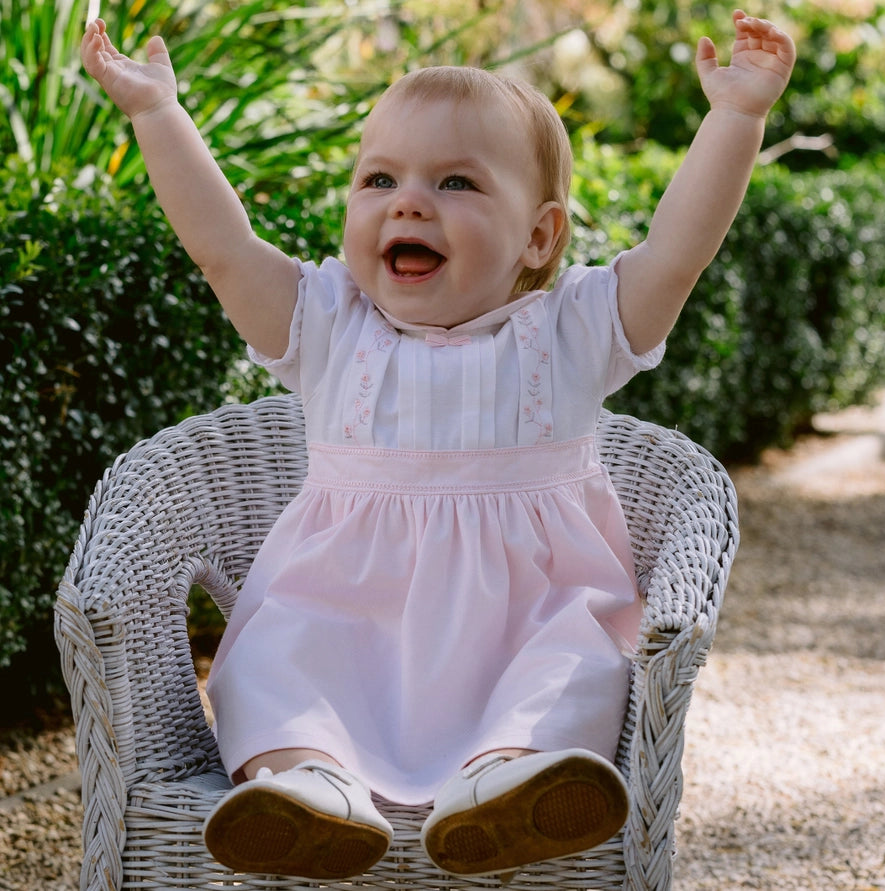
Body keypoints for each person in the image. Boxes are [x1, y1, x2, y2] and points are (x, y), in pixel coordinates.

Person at [81, 9, 795, 881]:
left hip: (521, 623)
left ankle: (506, 785)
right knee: (277, 654)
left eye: (456, 183)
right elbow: (225, 251)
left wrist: (737, 118)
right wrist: (159, 113)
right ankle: (309, 789)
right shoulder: (328, 325)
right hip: (347, 615)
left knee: (571, 660)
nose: (408, 200)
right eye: (378, 178)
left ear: (539, 236)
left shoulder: (570, 330)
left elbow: (676, 254)